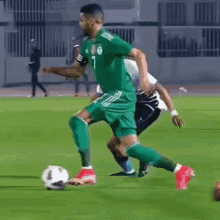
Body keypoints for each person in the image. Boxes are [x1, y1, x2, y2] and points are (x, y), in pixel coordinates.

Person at [42, 4, 195, 190]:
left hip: (120, 94)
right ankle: (180, 170)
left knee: (78, 120)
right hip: (119, 97)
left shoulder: (108, 39)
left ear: (93, 20)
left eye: (82, 19)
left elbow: (139, 54)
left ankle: (87, 171)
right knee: (132, 148)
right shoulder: (87, 44)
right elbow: (76, 70)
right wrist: (53, 70)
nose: (80, 23)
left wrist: (144, 81)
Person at [91, 60, 184, 178]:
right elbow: (98, 96)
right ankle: (130, 171)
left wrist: (173, 113)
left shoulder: (132, 67)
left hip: (150, 106)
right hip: (131, 109)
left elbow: (161, 90)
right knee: (113, 144)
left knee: (122, 142)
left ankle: (177, 169)